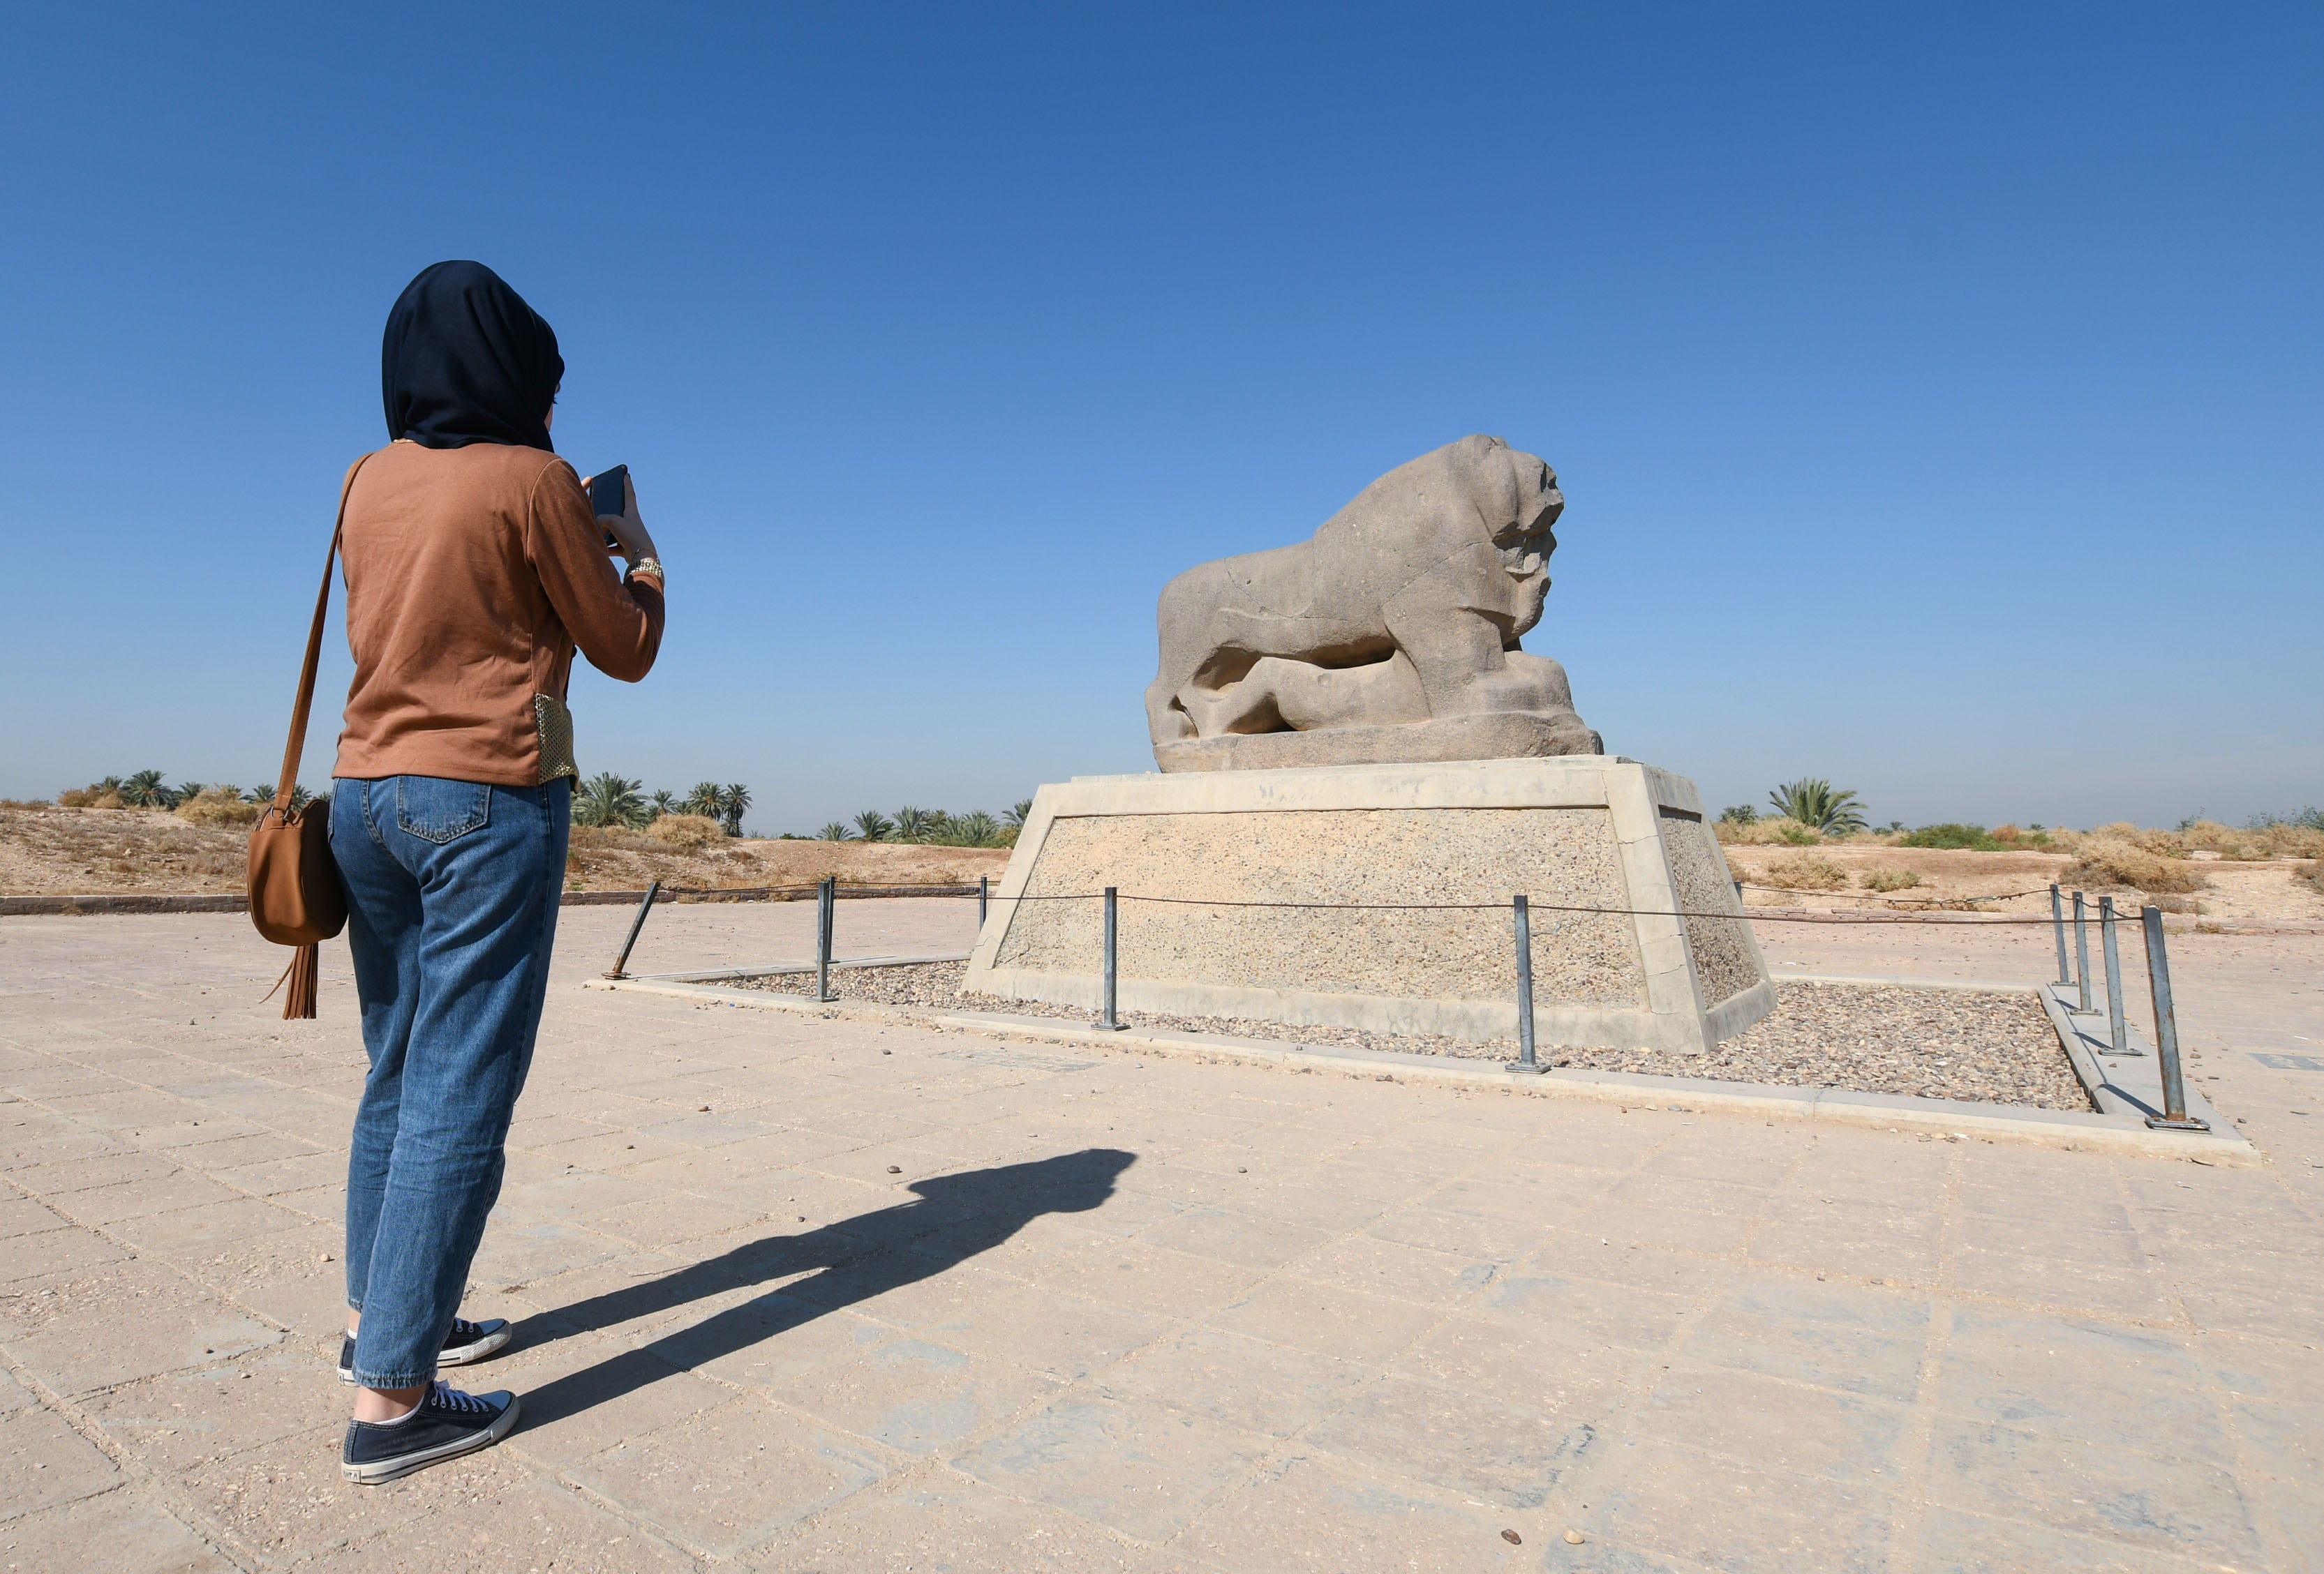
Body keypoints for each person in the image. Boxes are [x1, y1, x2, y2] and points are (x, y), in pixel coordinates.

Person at [327, 260, 664, 1483]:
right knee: (462, 1087)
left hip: (361, 799)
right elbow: (620, 650)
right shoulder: (530, 481)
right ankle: (394, 1405)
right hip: (484, 797)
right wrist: (639, 558)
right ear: (516, 376)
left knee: (399, 1064)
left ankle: (383, 1316)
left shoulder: (368, 477)